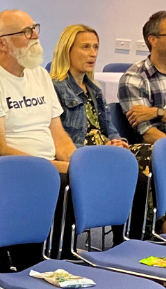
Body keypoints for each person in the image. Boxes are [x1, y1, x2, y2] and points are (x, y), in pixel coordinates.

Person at [0, 10, 75, 265]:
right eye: (26, 32)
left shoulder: (39, 74)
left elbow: (58, 134)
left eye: (35, 28)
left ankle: (65, 259)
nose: (35, 35)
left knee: (89, 177)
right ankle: (45, 263)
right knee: (64, 180)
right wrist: (57, 167)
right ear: (2, 43)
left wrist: (76, 164)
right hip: (11, 168)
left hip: (49, 165)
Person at [51, 24, 151, 239]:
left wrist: (116, 142)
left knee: (143, 163)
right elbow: (59, 138)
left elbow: (109, 127)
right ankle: (126, 237)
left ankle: (131, 239)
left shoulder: (94, 88)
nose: (93, 53)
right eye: (85, 47)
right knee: (131, 173)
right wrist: (104, 148)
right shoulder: (55, 87)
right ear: (67, 50)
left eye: (95, 47)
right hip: (79, 153)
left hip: (103, 151)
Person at [119, 10, 166, 234]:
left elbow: (152, 118)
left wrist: (156, 112)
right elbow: (148, 133)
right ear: (153, 40)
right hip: (160, 150)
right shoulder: (133, 78)